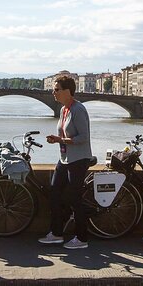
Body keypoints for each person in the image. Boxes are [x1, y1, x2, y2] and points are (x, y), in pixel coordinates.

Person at [38, 75, 93, 249]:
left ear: (67, 91)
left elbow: (83, 137)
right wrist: (58, 139)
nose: (53, 93)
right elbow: (65, 134)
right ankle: (56, 233)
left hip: (78, 159)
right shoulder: (63, 110)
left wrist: (60, 140)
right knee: (54, 193)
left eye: (56, 89)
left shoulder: (78, 109)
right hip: (65, 158)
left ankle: (82, 238)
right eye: (53, 89)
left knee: (74, 198)